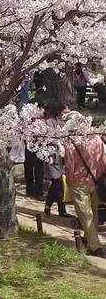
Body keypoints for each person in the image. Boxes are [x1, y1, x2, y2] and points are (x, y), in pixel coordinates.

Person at [43, 99, 104, 256]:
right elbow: (104, 159)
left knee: (85, 214)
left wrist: (68, 182)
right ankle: (88, 238)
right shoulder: (96, 137)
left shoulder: (72, 142)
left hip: (79, 182)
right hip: (97, 181)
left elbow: (69, 165)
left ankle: (94, 246)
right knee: (94, 212)